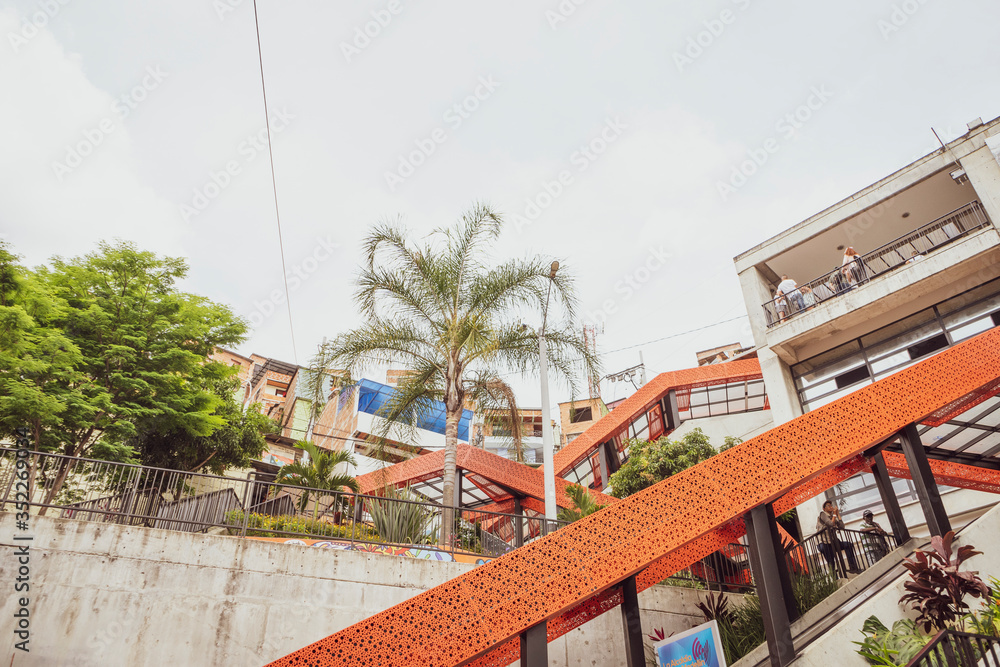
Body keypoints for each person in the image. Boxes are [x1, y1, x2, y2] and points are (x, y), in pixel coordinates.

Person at [816, 500, 861, 575]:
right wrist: (834, 514)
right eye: (828, 505)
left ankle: (853, 567)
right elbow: (830, 523)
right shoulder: (822, 514)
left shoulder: (833, 517)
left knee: (848, 545)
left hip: (833, 541)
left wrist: (838, 515)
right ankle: (835, 578)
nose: (830, 506)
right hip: (824, 543)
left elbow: (842, 527)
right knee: (831, 561)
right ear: (824, 509)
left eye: (831, 505)